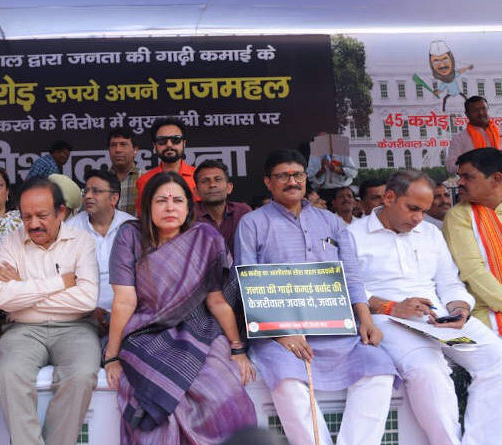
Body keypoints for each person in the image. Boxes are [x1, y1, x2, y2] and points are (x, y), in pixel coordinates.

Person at [235, 149, 396, 445]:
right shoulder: (253, 223)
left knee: (379, 368)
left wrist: (366, 318)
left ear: (306, 179)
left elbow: (351, 274)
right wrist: (282, 334)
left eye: (297, 175)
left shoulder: (330, 221)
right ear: (268, 182)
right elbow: (247, 283)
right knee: (287, 381)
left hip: (336, 331)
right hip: (280, 335)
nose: (291, 181)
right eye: (282, 176)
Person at [350, 169, 502, 445]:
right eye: (413, 209)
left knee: (497, 359)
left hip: (441, 320)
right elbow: (351, 290)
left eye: (424, 210)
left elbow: (449, 283)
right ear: (389, 197)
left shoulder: (429, 233)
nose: (418, 218)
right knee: (429, 372)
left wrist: (459, 309)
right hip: (390, 322)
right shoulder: (353, 235)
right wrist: (393, 307)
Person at [104, 171, 256, 444]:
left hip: (200, 328)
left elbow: (217, 300)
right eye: (161, 200)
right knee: (157, 395)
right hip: (144, 333)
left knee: (220, 388)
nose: (170, 207)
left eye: (177, 200)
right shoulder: (130, 236)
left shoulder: (205, 237)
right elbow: (125, 301)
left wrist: (237, 347)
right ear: (148, 206)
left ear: (189, 207)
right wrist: (112, 356)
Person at [0, 176, 99, 445]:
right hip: (23, 330)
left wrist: (23, 290)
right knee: (8, 372)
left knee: (82, 373)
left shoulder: (82, 241)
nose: (34, 224)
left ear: (61, 212)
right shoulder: (10, 242)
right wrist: (60, 283)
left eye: (42, 215)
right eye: (27, 217)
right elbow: (0, 298)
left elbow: (86, 300)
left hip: (76, 328)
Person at [65, 169, 135, 338]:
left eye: (96, 191)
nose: (88, 196)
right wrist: (87, 310)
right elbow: (64, 278)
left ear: (114, 198)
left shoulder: (131, 226)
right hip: (82, 316)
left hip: (130, 314)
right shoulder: (70, 228)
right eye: (86, 191)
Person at [443, 148, 502, 331]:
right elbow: (473, 271)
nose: (459, 182)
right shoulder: (459, 216)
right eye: (459, 176)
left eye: (468, 177)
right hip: (488, 312)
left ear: (496, 179)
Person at [136, 117, 198, 210]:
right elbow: (144, 217)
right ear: (154, 145)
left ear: (184, 143)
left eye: (175, 140)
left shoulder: (198, 177)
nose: (169, 144)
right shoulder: (145, 180)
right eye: (162, 141)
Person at [193, 159, 251, 257]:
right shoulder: (189, 214)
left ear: (229, 187)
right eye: (205, 181)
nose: (212, 185)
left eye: (218, 179)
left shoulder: (242, 212)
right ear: (196, 191)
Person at [446, 96, 500, 173]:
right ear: (467, 114)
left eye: (483, 108)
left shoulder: (499, 131)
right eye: (475, 110)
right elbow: (450, 165)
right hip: (476, 182)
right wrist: (471, 169)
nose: (481, 113)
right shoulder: (460, 139)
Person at [107, 129, 143, 216]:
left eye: (123, 145)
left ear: (135, 150)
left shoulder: (145, 178)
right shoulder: (101, 180)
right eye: (113, 145)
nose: (117, 150)